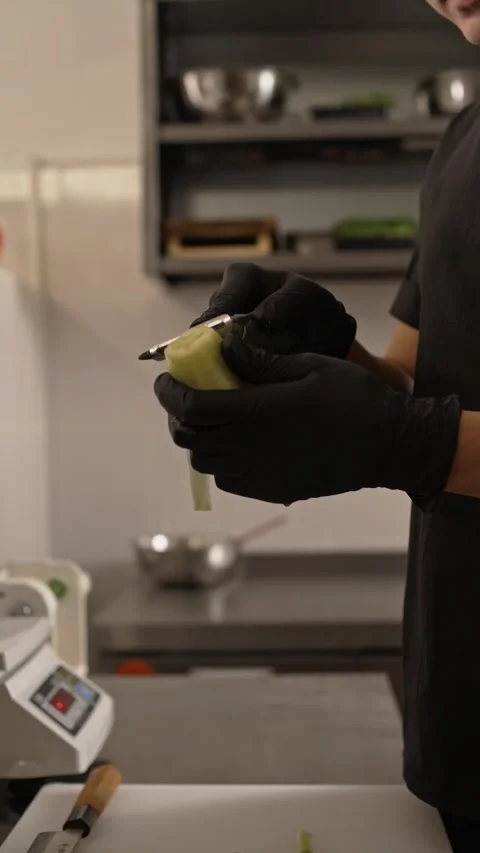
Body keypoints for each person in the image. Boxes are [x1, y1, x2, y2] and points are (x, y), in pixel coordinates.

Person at [155, 3, 480, 850]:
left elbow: (420, 429)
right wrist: (328, 345)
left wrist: (406, 442)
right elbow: (416, 382)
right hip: (462, 720)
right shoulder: (465, 137)